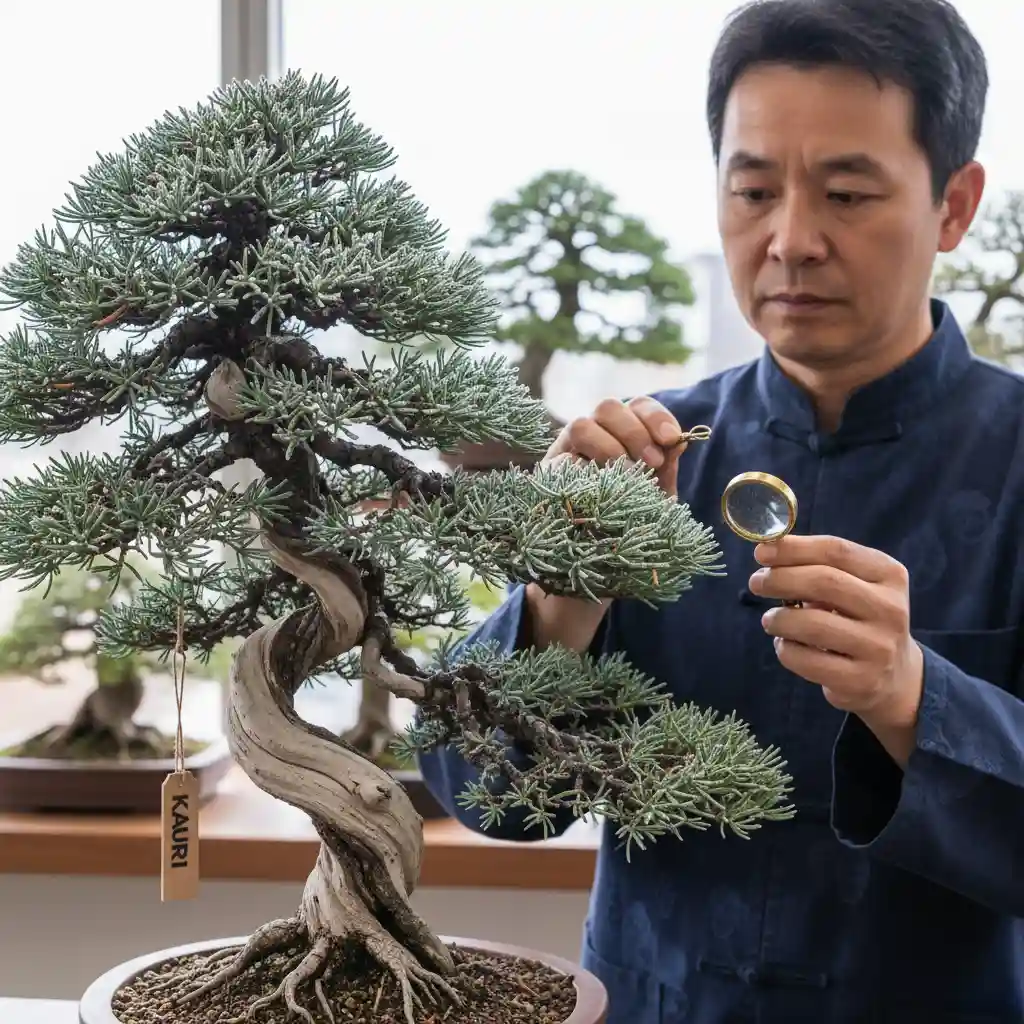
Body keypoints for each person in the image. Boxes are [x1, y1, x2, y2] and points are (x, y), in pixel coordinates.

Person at [420, 1, 1024, 1020]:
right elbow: (477, 794)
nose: (790, 241)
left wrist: (913, 696)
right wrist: (556, 609)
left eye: (846, 193)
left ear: (953, 205)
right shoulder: (641, 460)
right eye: (752, 190)